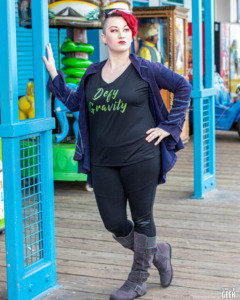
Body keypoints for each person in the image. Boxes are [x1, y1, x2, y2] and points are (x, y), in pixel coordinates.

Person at [43, 8, 192, 300]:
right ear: (104, 37)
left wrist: (169, 126)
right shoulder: (92, 73)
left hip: (142, 156)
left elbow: (182, 86)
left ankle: (138, 280)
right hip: (103, 161)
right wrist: (54, 74)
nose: (121, 34)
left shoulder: (145, 69)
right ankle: (158, 252)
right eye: (114, 30)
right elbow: (74, 103)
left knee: (143, 218)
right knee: (114, 222)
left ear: (132, 34)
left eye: (126, 29)